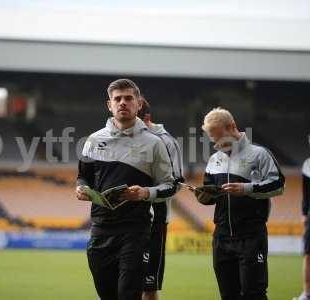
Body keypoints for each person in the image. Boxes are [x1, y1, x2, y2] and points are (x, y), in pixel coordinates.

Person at [75, 79, 176, 300]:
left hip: (136, 232)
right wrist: (81, 188)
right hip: (100, 231)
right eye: (117, 98)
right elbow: (83, 176)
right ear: (109, 105)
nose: (123, 102)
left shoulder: (154, 143)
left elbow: (170, 186)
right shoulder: (93, 140)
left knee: (128, 295)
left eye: (128, 98)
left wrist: (145, 193)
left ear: (139, 104)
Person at [195, 107, 285, 300]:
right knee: (228, 295)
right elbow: (211, 192)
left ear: (232, 127)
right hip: (221, 237)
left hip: (251, 236)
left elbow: (278, 186)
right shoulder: (213, 160)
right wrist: (204, 197)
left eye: (219, 138)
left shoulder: (260, 154)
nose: (217, 144)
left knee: (254, 294)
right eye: (213, 140)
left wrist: (246, 188)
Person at [138, 97, 184, 300]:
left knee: (149, 285)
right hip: (120, 220)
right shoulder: (122, 136)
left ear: (146, 117)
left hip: (153, 220)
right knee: (115, 282)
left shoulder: (167, 141)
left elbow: (177, 182)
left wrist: (147, 193)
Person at [294, 135, 310, 300]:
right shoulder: (307, 165)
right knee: (308, 254)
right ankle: (307, 293)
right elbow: (306, 194)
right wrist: (305, 213)